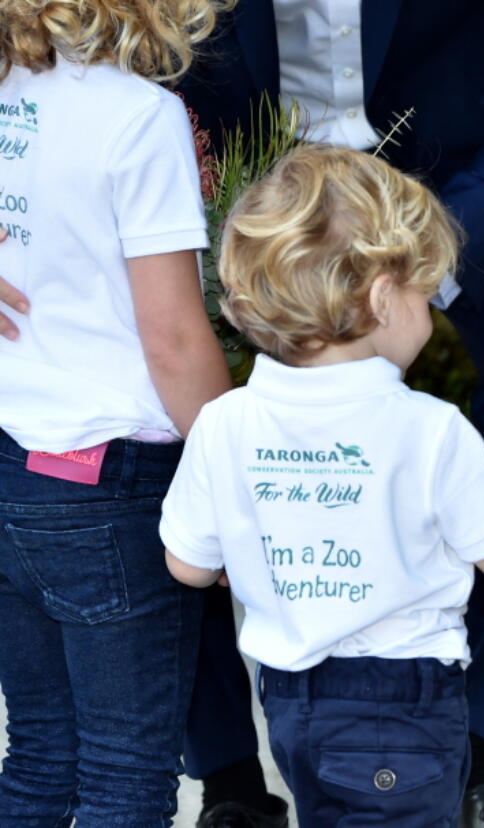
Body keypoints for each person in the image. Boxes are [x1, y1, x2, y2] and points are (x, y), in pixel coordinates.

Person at [172, 5, 484, 823]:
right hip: (259, 197)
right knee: (158, 425)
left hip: (476, 180)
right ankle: (229, 774)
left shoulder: (241, 434)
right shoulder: (431, 433)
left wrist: (429, 259)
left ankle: (480, 742)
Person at [0, 1, 233, 824]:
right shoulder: (139, 117)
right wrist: (236, 468)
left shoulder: (7, 95)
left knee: (38, 754)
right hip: (109, 483)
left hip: (11, 463)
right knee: (124, 774)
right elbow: (170, 335)